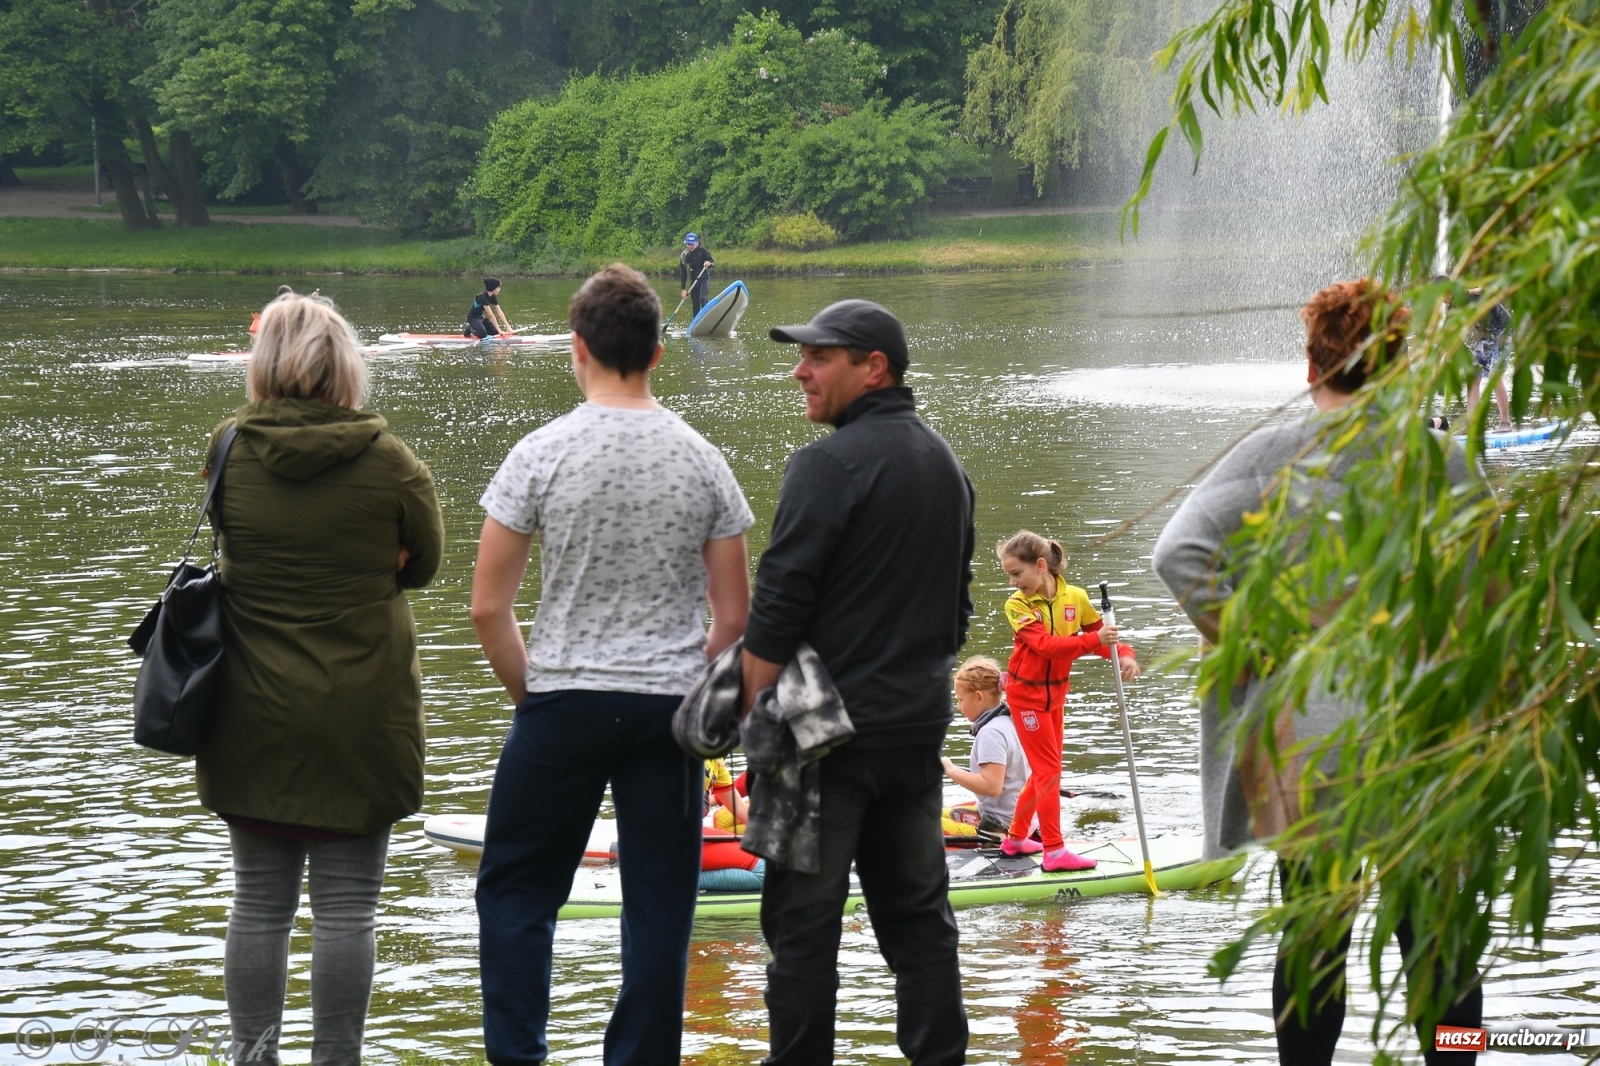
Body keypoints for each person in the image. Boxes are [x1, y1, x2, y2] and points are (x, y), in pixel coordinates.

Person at [1152, 279, 1486, 1065]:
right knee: (1440, 944)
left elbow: (1178, 553)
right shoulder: (1447, 461)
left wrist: (1259, 638)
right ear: (1401, 366)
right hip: (1422, 743)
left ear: (1311, 366)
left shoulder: (1272, 454)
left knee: (1312, 937)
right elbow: (1478, 599)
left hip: (1306, 745)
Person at [471, 262, 754, 1066]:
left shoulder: (539, 453)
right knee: (660, 907)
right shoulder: (704, 460)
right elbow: (732, 617)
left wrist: (536, 695)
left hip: (562, 700)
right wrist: (684, 680)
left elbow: (488, 607)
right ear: (660, 353)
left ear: (577, 348)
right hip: (667, 711)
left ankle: (519, 1057)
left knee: (518, 893)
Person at [196, 292, 444, 1066]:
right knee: (347, 911)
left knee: (258, 905)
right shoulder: (392, 462)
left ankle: (252, 1057)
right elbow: (425, 564)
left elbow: (230, 538)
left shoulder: (228, 449)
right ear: (346, 366)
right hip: (362, 712)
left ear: (265, 364)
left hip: (250, 710)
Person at [742, 298, 975, 1065]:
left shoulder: (825, 465)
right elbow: (958, 613)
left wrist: (746, 714)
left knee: (802, 933)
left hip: (815, 745)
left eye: (819, 357)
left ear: (874, 368)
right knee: (920, 925)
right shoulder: (947, 465)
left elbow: (776, 610)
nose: (800, 371)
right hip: (913, 734)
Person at [995, 532, 1138, 872]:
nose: (1014, 582)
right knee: (1048, 772)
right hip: (1026, 697)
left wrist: (1124, 654)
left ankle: (1015, 839)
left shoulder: (1075, 597)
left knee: (1046, 771)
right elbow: (1046, 646)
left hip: (1055, 695)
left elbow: (1103, 639)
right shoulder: (1017, 604)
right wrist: (1094, 640)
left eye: (1017, 574)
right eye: (1009, 576)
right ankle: (1055, 851)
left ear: (1040, 566)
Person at [939, 656, 1028, 842]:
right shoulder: (1010, 721)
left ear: (979, 697)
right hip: (1018, 817)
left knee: (920, 822)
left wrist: (951, 770)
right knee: (935, 813)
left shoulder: (992, 732)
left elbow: (992, 786)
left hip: (1001, 827)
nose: (959, 707)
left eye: (961, 700)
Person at [1465, 289, 1513, 431]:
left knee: (1493, 375)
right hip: (1485, 336)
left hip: (1504, 331)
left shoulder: (1470, 296)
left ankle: (1505, 423)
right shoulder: (1452, 306)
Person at [678, 234, 713, 316]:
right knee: (695, 305)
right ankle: (696, 322)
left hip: (704, 278)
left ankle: (707, 315)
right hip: (694, 281)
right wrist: (683, 289)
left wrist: (708, 263)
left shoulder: (703, 251)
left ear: (697, 243)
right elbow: (683, 272)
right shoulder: (684, 255)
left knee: (703, 298)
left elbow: (711, 262)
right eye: (688, 244)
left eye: (692, 244)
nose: (690, 246)